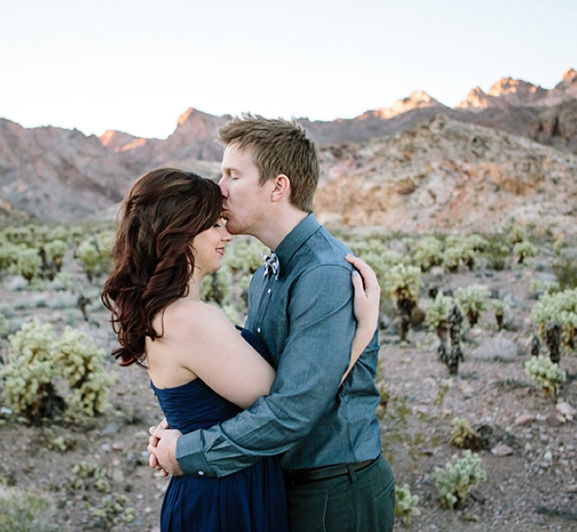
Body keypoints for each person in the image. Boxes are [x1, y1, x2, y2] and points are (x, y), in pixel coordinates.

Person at [148, 115, 396, 532]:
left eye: (232, 175)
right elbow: (255, 386)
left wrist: (187, 451)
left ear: (278, 187)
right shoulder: (267, 273)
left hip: (333, 492)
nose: (220, 189)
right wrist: (182, 423)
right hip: (283, 485)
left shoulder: (323, 273)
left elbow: (293, 410)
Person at [101, 167, 380, 532]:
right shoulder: (191, 320)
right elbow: (292, 404)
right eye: (213, 225)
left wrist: (191, 424)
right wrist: (364, 330)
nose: (226, 235)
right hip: (225, 497)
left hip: (219, 485)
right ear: (180, 235)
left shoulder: (171, 315)